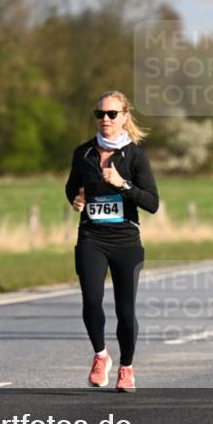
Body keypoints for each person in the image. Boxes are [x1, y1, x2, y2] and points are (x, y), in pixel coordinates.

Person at [66, 91, 158, 392]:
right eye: (100, 114)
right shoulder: (83, 153)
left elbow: (152, 202)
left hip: (126, 240)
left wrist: (124, 184)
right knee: (91, 299)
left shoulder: (135, 156)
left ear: (124, 117)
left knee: (125, 309)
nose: (105, 119)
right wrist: (76, 199)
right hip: (92, 236)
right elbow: (71, 188)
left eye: (111, 114)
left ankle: (127, 367)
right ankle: (101, 355)